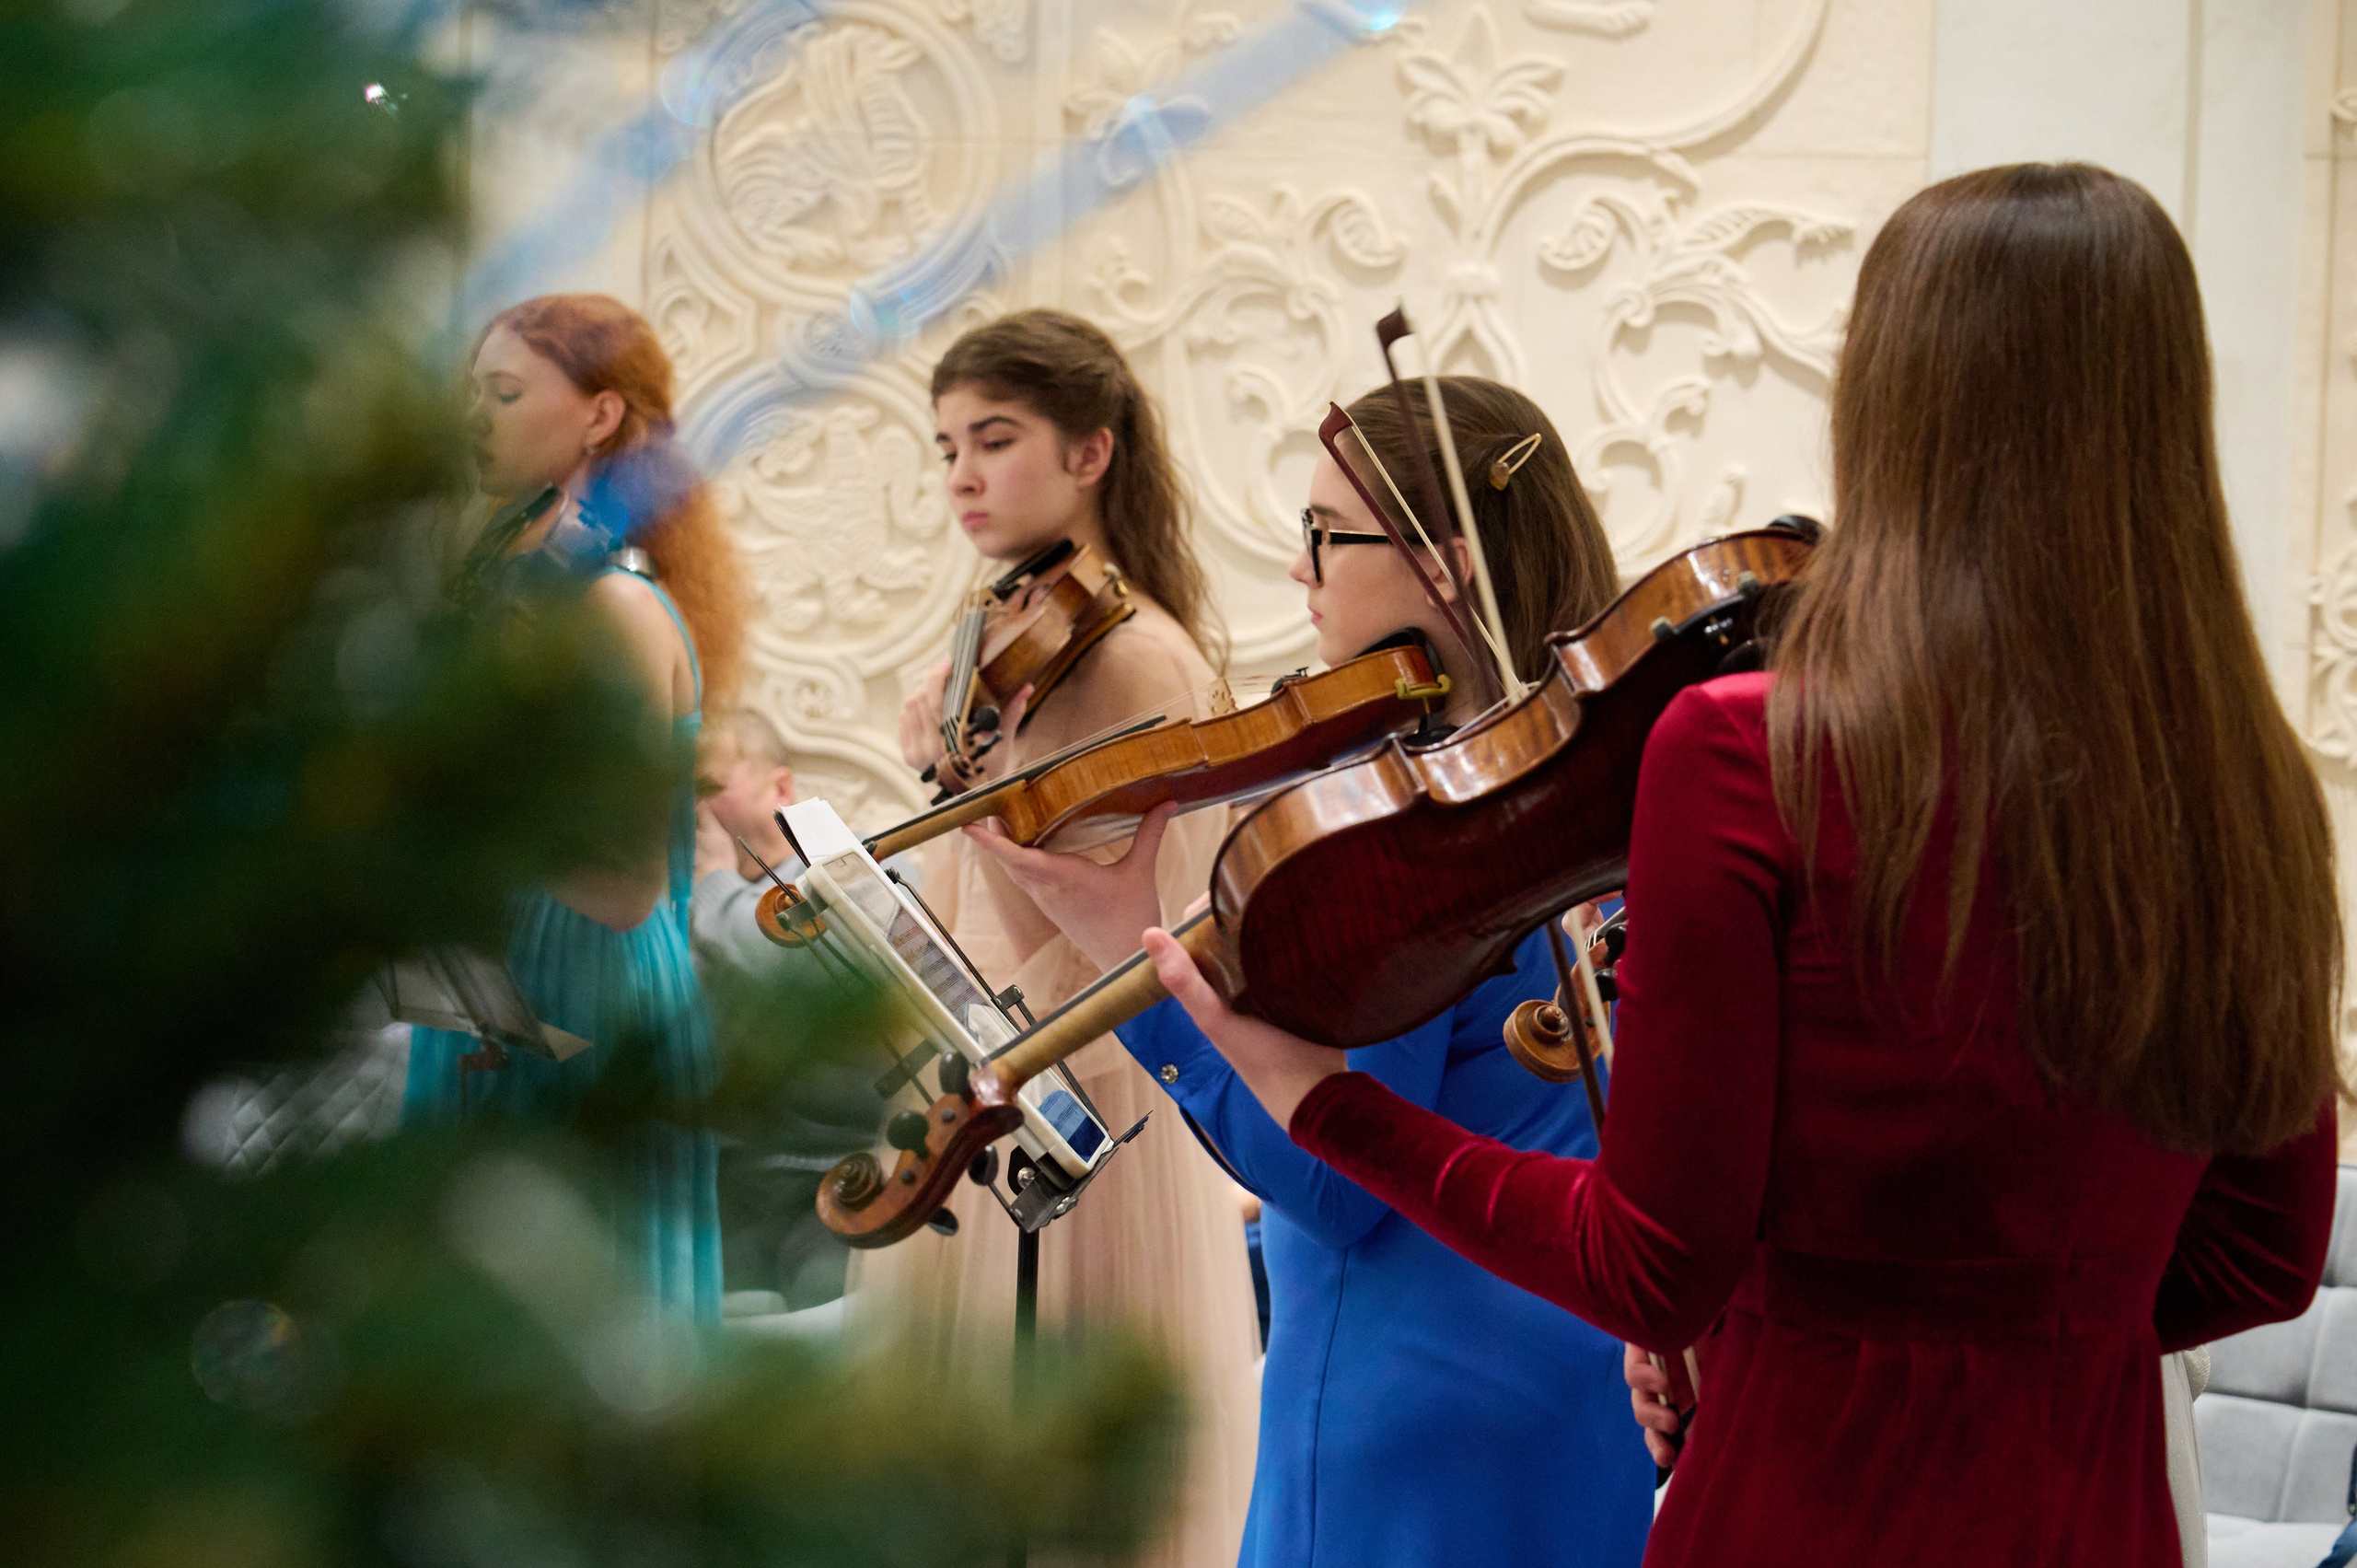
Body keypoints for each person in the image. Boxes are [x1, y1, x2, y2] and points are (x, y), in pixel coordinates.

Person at [1138, 163, 2349, 1567]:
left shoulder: (1745, 752)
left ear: (1890, 404)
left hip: (1802, 1508)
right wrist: (2032, 1337)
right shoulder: (2239, 783)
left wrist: (1326, 1104)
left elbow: (1649, 1257)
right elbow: (2265, 1251)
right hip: (2092, 1516)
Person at [969, 377, 1655, 1567]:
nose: (1303, 571)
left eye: (1326, 537)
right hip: (1584, 1370)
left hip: (1409, 1391)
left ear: (1444, 564)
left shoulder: (1411, 828)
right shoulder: (1611, 773)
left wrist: (1157, 992)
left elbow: (1335, 1177)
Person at [849, 308, 1261, 1568]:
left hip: (1076, 1082)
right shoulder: (1002, 632)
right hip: (983, 1052)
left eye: (994, 439)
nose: (962, 474)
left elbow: (1152, 925)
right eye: (945, 448)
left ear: (1092, 452)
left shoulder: (1136, 657)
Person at [405, 292, 746, 1326]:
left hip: (581, 999)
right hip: (480, 990)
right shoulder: (506, 596)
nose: (476, 418)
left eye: (505, 392)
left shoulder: (611, 605)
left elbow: (624, 876)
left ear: (600, 415)